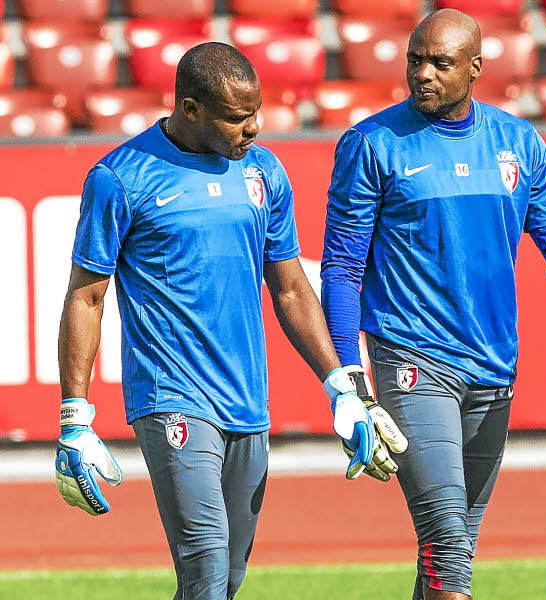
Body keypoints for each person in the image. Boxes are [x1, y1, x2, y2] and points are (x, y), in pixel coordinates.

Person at [54, 42, 406, 600]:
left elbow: (291, 289)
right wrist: (75, 417)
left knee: (226, 579)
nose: (255, 129)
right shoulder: (120, 178)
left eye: (257, 112)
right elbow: (86, 298)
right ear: (191, 109)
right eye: (238, 118)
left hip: (247, 401)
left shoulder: (265, 172)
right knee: (207, 563)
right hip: (171, 397)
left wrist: (342, 387)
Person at [321, 9, 546, 600]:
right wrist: (348, 379)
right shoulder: (370, 144)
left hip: (493, 367)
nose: (423, 74)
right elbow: (341, 267)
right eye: (415, 60)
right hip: (411, 360)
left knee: (450, 550)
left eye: (440, 63)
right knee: (448, 549)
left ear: (476, 69)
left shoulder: (519, 141)